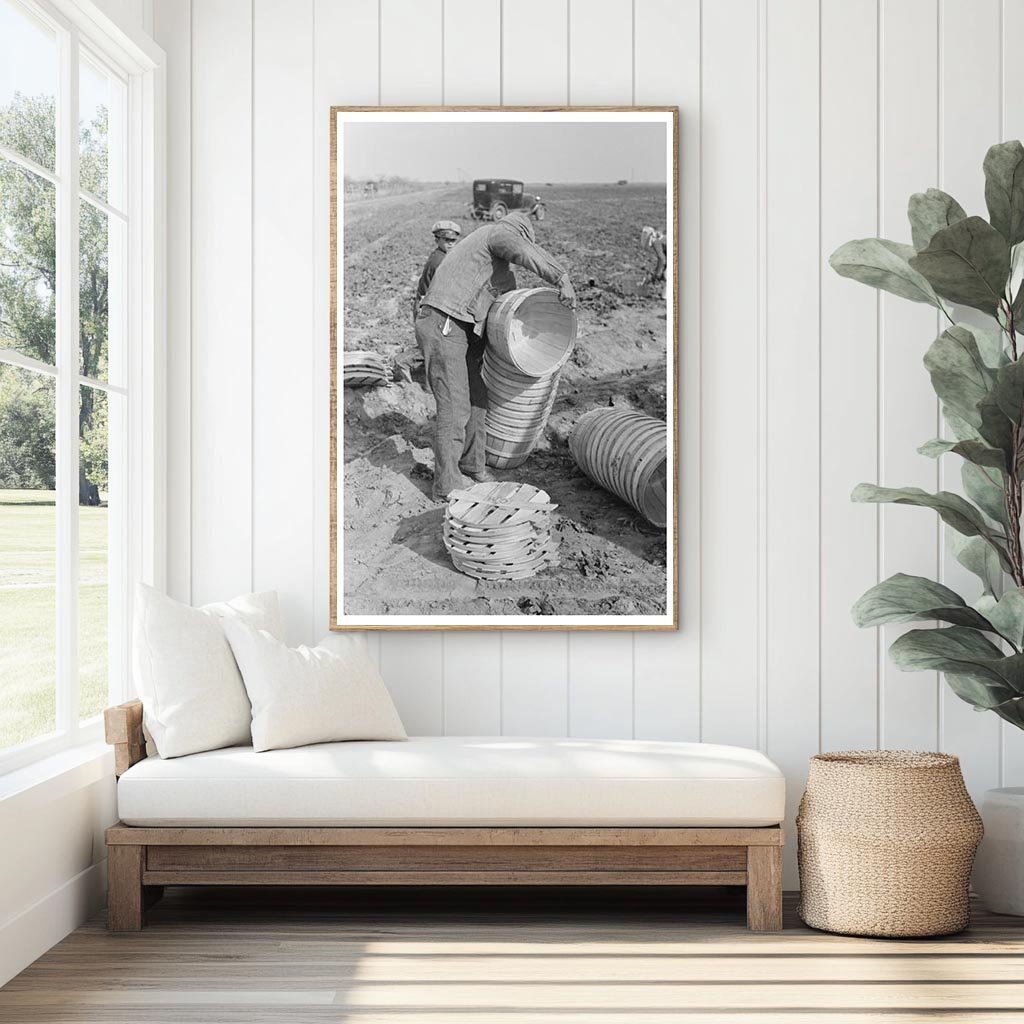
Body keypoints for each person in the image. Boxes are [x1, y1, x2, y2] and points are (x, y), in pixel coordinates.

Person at [416, 210, 577, 501]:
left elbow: (503, 309)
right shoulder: (496, 233)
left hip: (463, 328)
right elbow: (520, 248)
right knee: (454, 406)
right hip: (444, 322)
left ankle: (472, 464)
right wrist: (560, 277)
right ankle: (446, 484)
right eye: (522, 240)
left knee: (478, 398)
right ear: (518, 233)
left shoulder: (498, 268)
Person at [412, 220, 461, 321]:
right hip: (428, 308)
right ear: (437, 240)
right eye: (447, 240)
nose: (451, 243)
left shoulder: (442, 255)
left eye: (453, 240)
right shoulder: (439, 261)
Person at [641, 225, 667, 295]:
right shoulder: (660, 239)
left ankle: (666, 296)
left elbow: (661, 258)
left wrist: (656, 274)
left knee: (667, 275)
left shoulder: (656, 242)